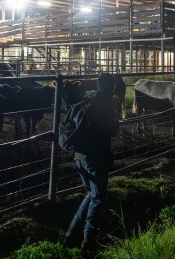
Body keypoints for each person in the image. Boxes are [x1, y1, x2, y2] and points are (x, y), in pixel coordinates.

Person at [64, 72, 120, 251]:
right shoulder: (104, 106)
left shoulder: (83, 102)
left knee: (90, 193)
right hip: (96, 158)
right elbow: (112, 130)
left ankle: (70, 234)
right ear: (111, 88)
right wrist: (116, 115)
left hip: (79, 157)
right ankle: (88, 240)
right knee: (98, 198)